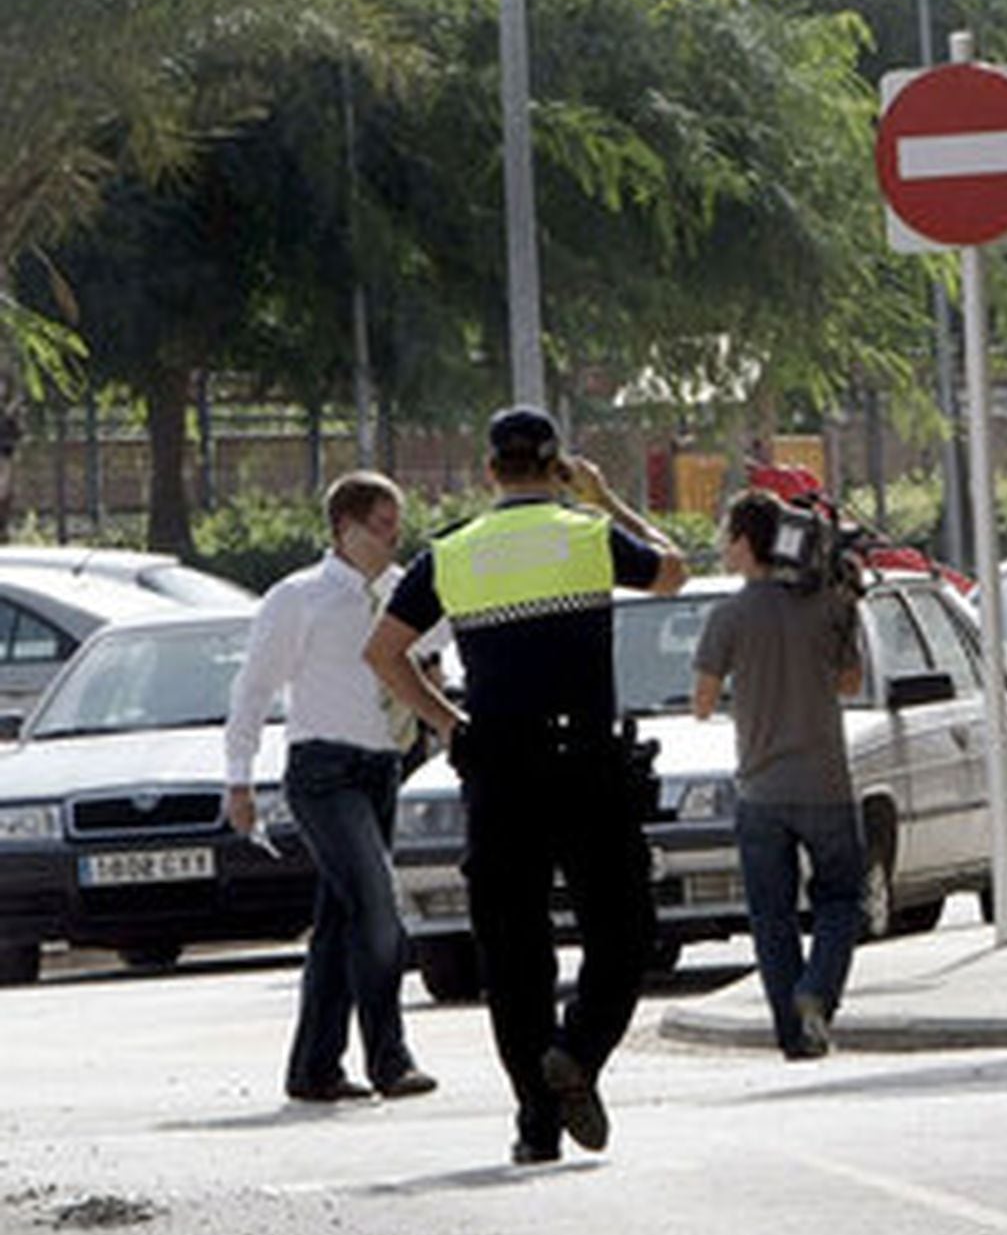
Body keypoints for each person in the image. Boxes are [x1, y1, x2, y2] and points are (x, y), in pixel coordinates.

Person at [365, 407, 686, 1165]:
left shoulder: (452, 553)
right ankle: (577, 1051)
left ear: (488, 472)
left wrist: (449, 724)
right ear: (557, 466)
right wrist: (605, 500)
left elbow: (383, 652)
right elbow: (673, 570)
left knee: (513, 952)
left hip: (500, 769)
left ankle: (537, 1122)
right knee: (623, 929)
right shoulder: (586, 534)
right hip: (586, 763)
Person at [225, 469, 437, 1104]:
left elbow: (441, 650)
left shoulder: (404, 593)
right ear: (344, 528)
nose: (391, 540)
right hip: (322, 772)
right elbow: (254, 688)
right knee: (378, 908)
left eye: (397, 528)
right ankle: (389, 1059)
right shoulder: (299, 598)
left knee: (343, 919)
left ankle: (314, 1068)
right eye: (379, 527)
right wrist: (238, 781)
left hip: (381, 769)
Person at [691, 489, 864, 1061]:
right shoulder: (829, 604)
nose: (722, 546)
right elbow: (850, 684)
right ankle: (817, 993)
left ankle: (792, 1036)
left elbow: (701, 703)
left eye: (726, 536)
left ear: (746, 543)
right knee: (841, 900)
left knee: (772, 917)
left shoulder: (729, 615)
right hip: (827, 784)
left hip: (761, 790)